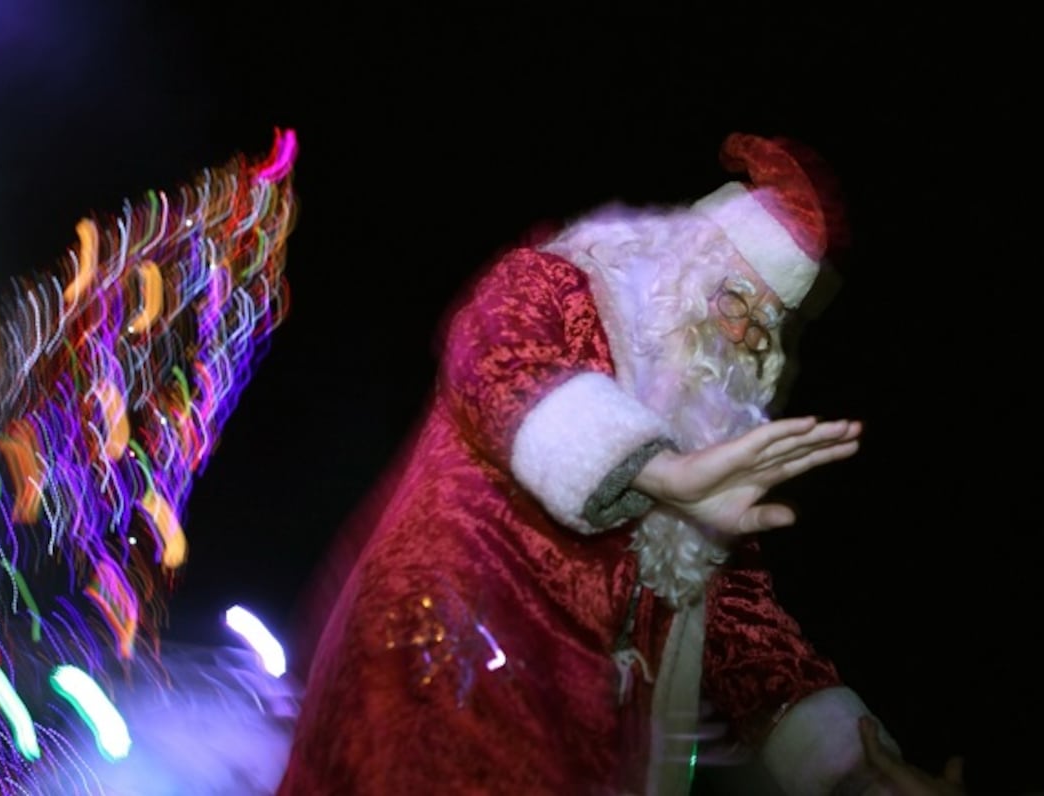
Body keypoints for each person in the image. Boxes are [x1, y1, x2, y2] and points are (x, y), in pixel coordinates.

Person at [275, 133, 947, 795]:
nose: (742, 336)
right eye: (736, 299)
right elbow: (501, 366)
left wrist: (853, 769)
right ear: (686, 257)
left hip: (586, 757)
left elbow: (745, 631)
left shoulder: (707, 437)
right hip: (440, 674)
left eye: (765, 327)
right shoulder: (557, 287)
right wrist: (656, 474)